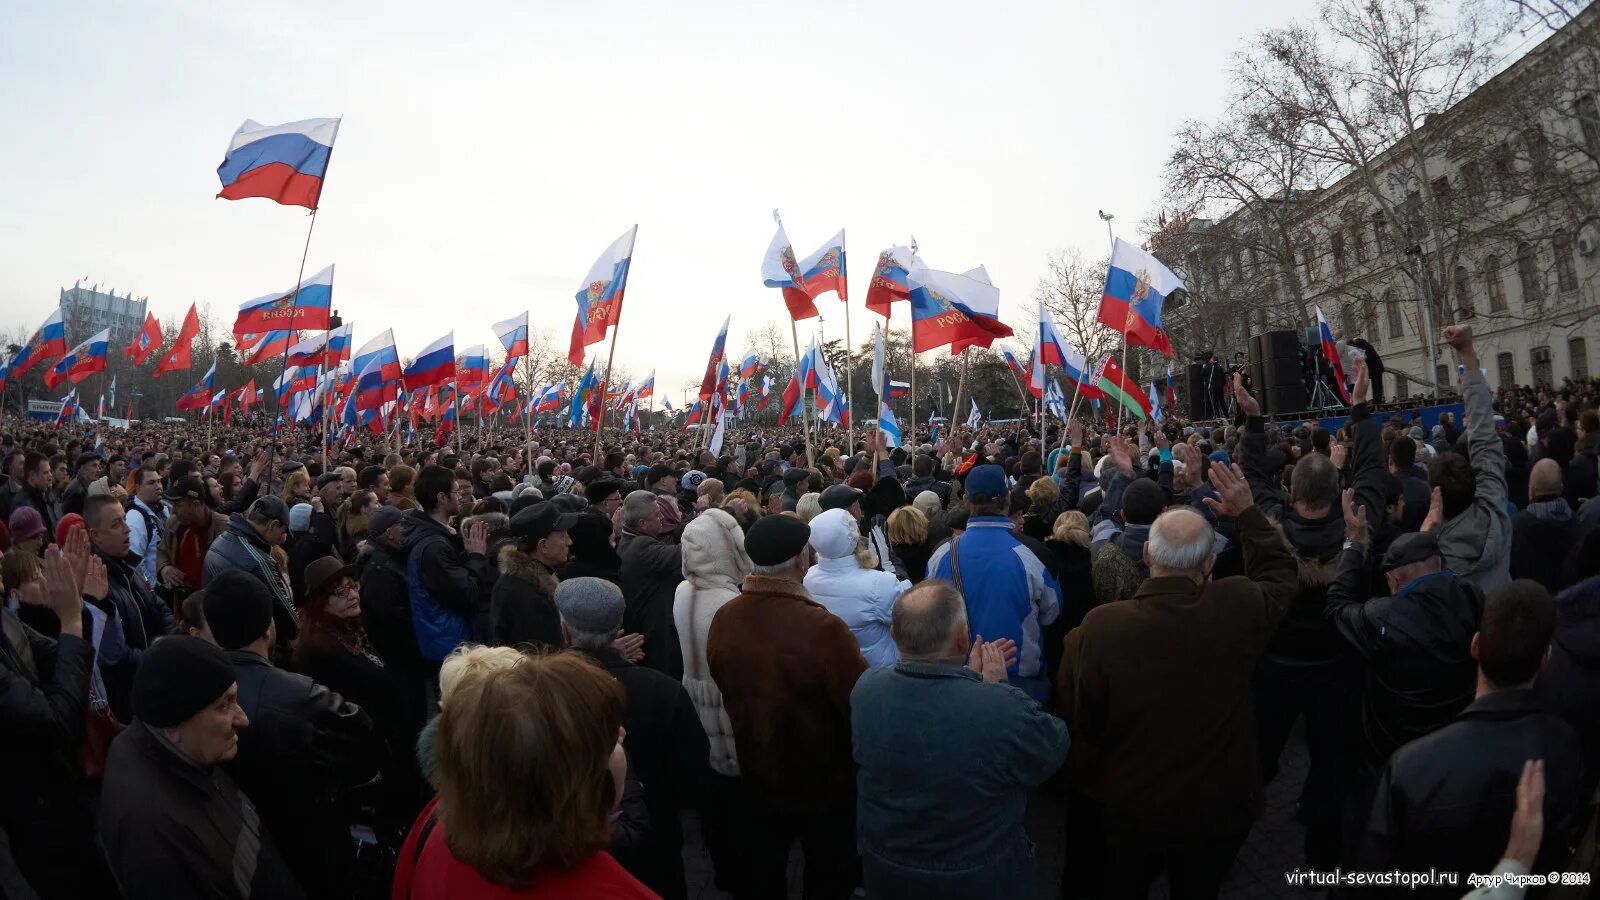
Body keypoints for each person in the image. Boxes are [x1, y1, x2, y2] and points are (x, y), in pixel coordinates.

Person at [1056, 460, 1298, 899]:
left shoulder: (1100, 629)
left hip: (1130, 809)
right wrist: (1247, 512)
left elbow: (1078, 715)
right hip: (1217, 810)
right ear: (1209, 563)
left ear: (1148, 555)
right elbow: (1281, 574)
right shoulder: (1238, 606)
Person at [1355, 581, 1584, 895]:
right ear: (1546, 659)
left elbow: (1369, 879)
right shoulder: (1566, 747)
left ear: (1475, 646)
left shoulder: (1411, 765)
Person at [852, 580, 1068, 898]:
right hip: (980, 875)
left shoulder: (866, 688)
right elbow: (1052, 750)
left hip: (885, 865)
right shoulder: (1000, 708)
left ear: (893, 635)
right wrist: (994, 688)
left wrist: (973, 684)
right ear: (963, 638)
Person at [391, 653, 656, 899]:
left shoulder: (437, 823)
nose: (622, 734)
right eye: (609, 740)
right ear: (572, 783)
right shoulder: (614, 891)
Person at [707, 514, 867, 900]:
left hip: (756, 769)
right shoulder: (822, 628)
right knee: (828, 874)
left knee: (765, 871)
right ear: (801, 560)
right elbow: (857, 703)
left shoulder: (725, 616)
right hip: (823, 779)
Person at [204, 569, 377, 896]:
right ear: (268, 626)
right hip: (312, 837)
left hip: (248, 846)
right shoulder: (300, 696)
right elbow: (363, 732)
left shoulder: (202, 692)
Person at [100, 636, 306, 900]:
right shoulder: (153, 836)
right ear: (174, 726)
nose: (242, 719)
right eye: (224, 705)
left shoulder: (180, 752)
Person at [557, 577, 708, 900]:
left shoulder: (546, 691)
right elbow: (693, 775)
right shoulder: (662, 689)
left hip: (568, 840)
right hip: (656, 835)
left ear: (566, 632)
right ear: (619, 625)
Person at [1, 548, 120, 899]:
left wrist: (76, 605)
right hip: (34, 810)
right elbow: (58, 723)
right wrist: (69, 621)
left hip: (62, 788)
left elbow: (62, 657)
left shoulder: (6, 618)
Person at [926, 464, 1061, 702]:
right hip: (1020, 683)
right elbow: (1052, 613)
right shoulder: (1035, 554)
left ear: (966, 501)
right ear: (1008, 499)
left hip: (958, 679)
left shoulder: (940, 556)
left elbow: (930, 612)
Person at [1432, 325, 1513, 591]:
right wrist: (1467, 352)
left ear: (1437, 498)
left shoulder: (1436, 559)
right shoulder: (1494, 509)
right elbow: (1484, 436)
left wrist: (1426, 535)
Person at [403, 464, 492, 674]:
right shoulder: (433, 547)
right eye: (455, 491)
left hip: (449, 640)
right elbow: (466, 593)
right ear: (442, 497)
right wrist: (477, 557)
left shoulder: (437, 537)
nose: (461, 495)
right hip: (451, 647)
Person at [804, 507, 908, 668]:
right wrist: (892, 566)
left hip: (836, 670)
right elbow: (910, 616)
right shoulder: (879, 583)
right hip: (876, 672)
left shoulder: (809, 577)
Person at [203, 496, 298, 648]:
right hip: (247, 643)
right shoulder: (258, 560)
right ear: (273, 525)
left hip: (218, 636)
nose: (283, 538)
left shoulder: (221, 539)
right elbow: (287, 614)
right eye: (283, 530)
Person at [492, 502, 580, 650]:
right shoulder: (530, 598)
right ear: (543, 545)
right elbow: (546, 663)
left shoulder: (523, 581)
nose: (569, 541)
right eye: (562, 536)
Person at [618, 489, 685, 679]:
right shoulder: (641, 547)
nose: (662, 518)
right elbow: (683, 554)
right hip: (653, 636)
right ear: (642, 523)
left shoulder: (628, 540)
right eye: (657, 515)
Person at [1509, 458, 1583, 594]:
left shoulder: (1515, 528)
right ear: (1561, 487)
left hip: (1529, 604)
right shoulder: (1578, 523)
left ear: (1531, 491)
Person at [155, 475, 228, 602]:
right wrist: (164, 568)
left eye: (178, 505)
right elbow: (162, 551)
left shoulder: (223, 527)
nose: (173, 511)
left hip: (212, 608)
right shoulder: (174, 523)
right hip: (182, 607)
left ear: (196, 505)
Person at [123, 464, 168, 587]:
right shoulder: (134, 518)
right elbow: (135, 563)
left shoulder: (163, 510)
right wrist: (154, 588)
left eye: (159, 481)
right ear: (138, 487)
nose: (158, 486)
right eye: (151, 483)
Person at [59, 452, 100, 519]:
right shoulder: (77, 492)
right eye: (94, 466)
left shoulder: (82, 486)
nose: (98, 470)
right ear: (82, 467)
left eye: (98, 466)